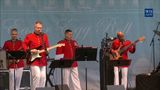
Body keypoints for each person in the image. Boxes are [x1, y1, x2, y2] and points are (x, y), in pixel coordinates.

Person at [23, 21, 49, 90]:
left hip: (43, 59)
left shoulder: (44, 36)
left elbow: (47, 46)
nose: (39, 29)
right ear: (34, 28)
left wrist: (47, 51)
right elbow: (24, 45)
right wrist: (30, 50)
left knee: (43, 77)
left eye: (40, 28)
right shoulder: (29, 36)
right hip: (34, 60)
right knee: (37, 76)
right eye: (38, 28)